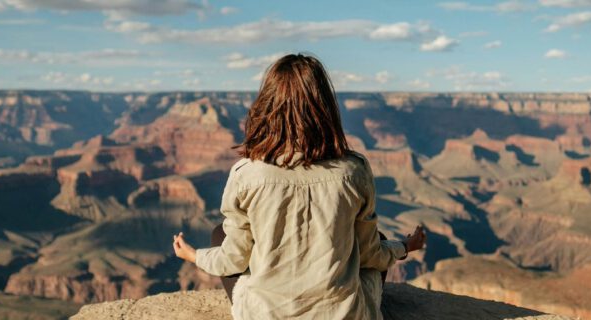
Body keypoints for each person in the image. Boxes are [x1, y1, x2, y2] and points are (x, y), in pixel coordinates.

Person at [172, 53, 426, 320]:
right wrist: (404, 247)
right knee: (379, 240)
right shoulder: (354, 170)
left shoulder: (246, 173)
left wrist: (194, 256)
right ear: (325, 107)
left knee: (219, 236)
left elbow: (233, 260)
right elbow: (370, 255)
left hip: (265, 315)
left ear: (268, 106)